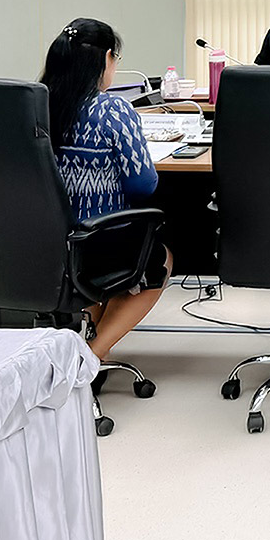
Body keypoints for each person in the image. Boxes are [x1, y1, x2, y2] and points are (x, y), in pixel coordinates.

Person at [41, 18, 171, 361]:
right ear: (107, 58)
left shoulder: (36, 105)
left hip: (45, 242)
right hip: (98, 240)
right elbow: (143, 185)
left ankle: (89, 347)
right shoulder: (113, 110)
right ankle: (92, 355)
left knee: (91, 266)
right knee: (161, 259)